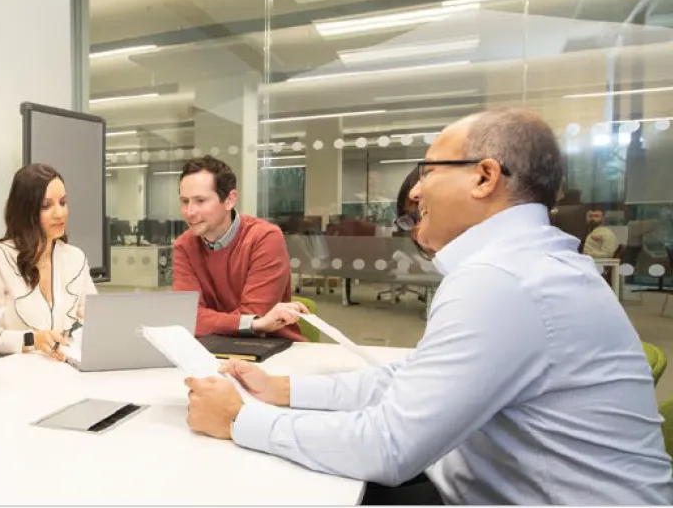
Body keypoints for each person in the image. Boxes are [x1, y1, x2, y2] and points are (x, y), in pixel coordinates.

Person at [184, 108, 673, 505]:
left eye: (428, 172)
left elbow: (388, 446)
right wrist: (283, 388)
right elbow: (407, 379)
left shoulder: (503, 281)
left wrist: (238, 420)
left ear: (484, 178)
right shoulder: (530, 263)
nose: (414, 192)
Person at [0, 163, 97, 359]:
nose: (59, 213)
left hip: (63, 374)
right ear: (26, 211)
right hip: (9, 379)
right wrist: (31, 340)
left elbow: (94, 321)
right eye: (46, 206)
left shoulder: (75, 258)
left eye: (63, 202)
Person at [172, 156, 306, 340]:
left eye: (200, 201)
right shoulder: (183, 246)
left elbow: (255, 315)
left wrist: (208, 321)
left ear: (229, 200)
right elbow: (186, 316)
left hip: (268, 348)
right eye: (185, 201)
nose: (190, 212)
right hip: (210, 348)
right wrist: (250, 323)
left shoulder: (264, 238)